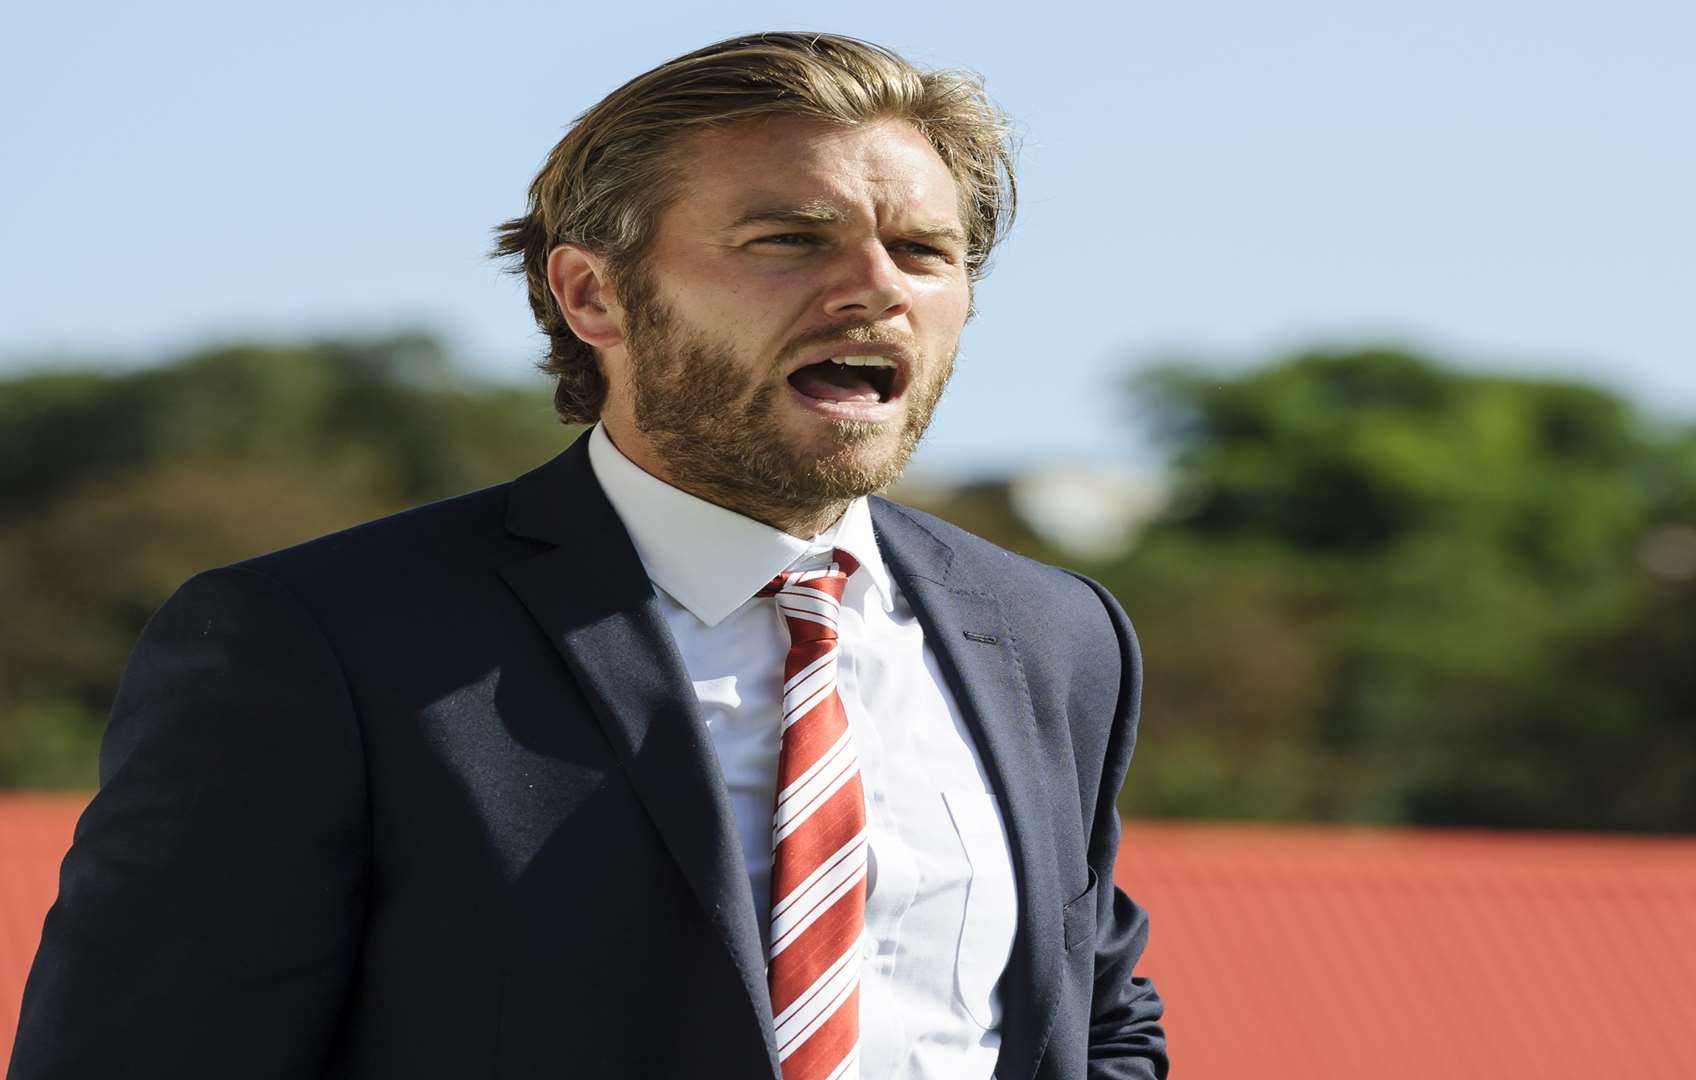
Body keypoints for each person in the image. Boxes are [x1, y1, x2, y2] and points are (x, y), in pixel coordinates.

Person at [9, 31, 1166, 1080]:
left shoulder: (1054, 637)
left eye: (924, 250)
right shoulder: (320, 644)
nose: (877, 290)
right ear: (593, 295)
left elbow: (1099, 1023)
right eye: (789, 240)